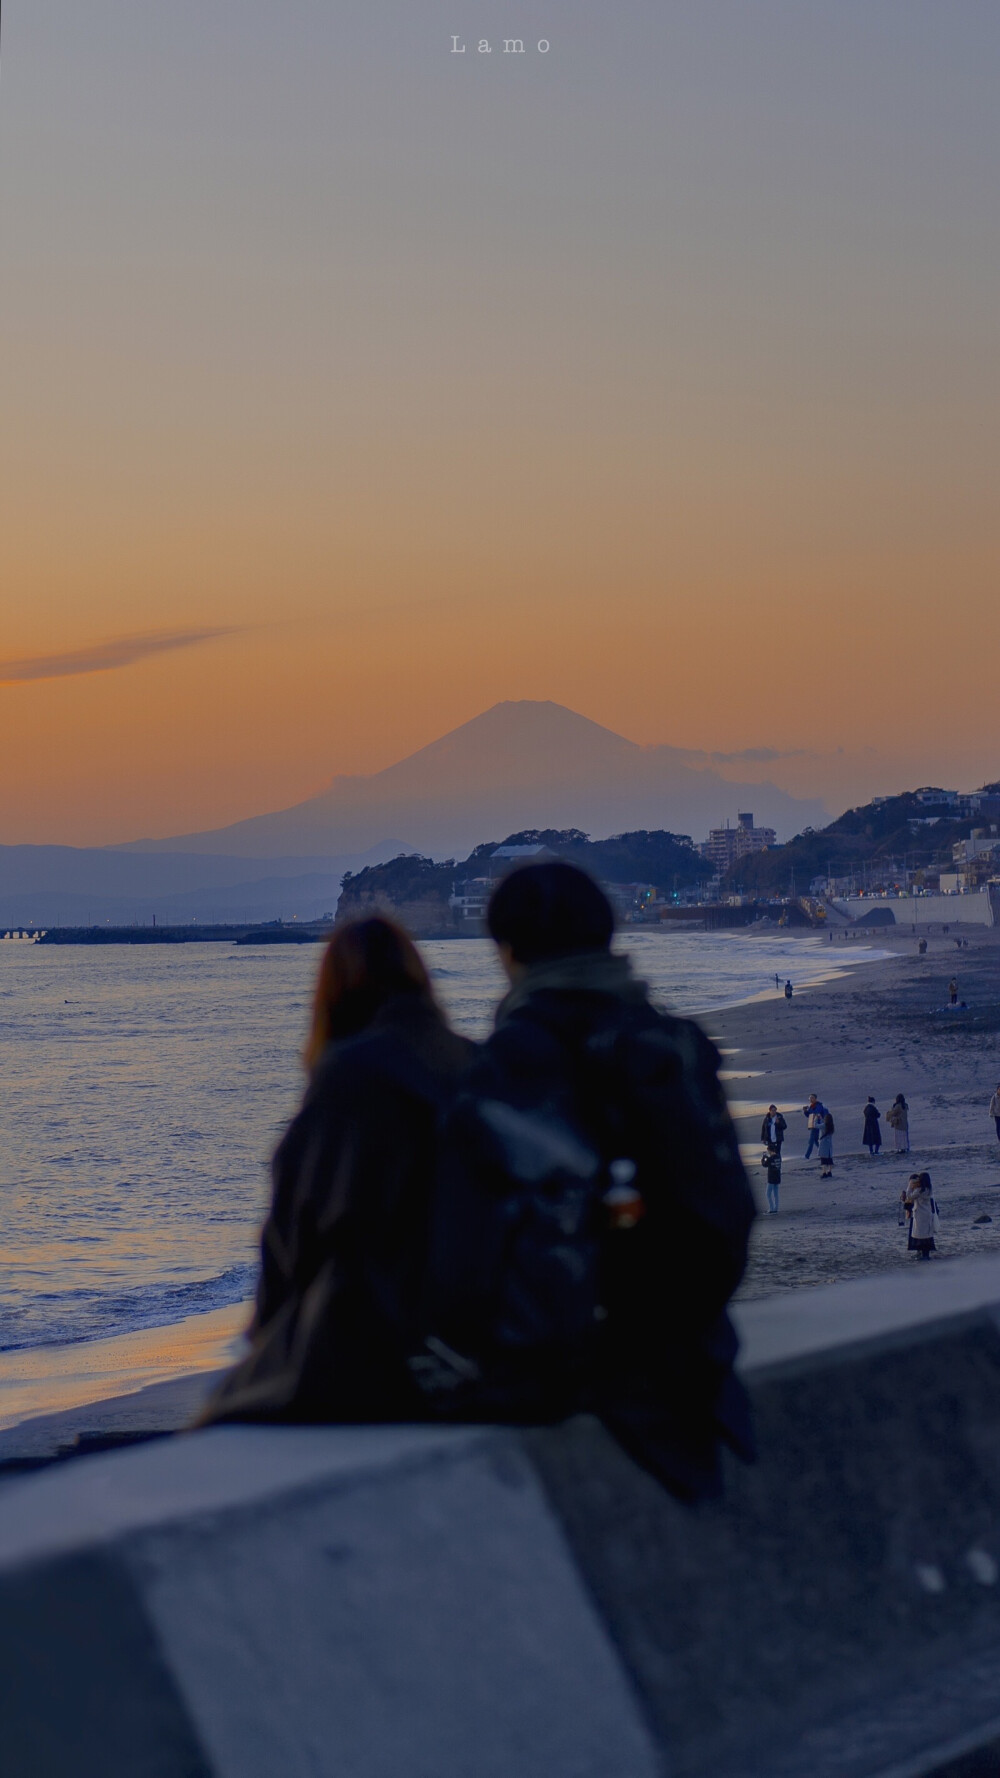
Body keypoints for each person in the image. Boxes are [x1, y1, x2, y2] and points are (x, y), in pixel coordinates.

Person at [468, 860, 756, 1501]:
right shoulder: (675, 1041)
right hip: (700, 1348)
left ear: (507, 953)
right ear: (607, 937)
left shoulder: (515, 1060)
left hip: (586, 1366)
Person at [198, 916, 474, 1425]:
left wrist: (267, 1338)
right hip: (471, 1333)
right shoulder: (471, 1062)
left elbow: (294, 1234)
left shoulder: (350, 1076)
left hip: (377, 1348)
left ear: (333, 991)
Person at [903, 1171, 936, 1260]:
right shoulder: (929, 1189)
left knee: (920, 1235)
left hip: (920, 1214)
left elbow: (909, 1196)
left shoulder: (919, 1190)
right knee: (927, 1235)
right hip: (927, 1214)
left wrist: (910, 1185)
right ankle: (926, 1254)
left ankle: (922, 1254)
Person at [802, 1093, 827, 1159]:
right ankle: (823, 1152)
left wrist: (809, 1110)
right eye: (810, 1098)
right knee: (815, 1140)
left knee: (811, 1141)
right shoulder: (811, 1106)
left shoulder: (818, 1105)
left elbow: (816, 1113)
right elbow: (809, 1115)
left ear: (815, 1099)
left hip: (818, 1124)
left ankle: (807, 1156)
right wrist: (805, 1111)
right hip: (813, 1124)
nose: (810, 1099)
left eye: (812, 1098)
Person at [762, 1144, 782, 1214]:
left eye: (768, 1151)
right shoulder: (778, 1157)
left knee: (768, 1193)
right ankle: (776, 1208)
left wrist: (764, 1158)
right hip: (777, 1177)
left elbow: (764, 1164)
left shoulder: (770, 1159)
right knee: (776, 1193)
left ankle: (771, 1208)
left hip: (771, 1178)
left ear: (770, 1151)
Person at [818, 1110, 835, 1179]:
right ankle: (829, 1172)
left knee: (823, 1160)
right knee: (829, 1159)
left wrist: (816, 1119)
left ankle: (824, 1172)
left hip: (823, 1144)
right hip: (829, 1144)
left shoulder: (824, 1125)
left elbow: (816, 1125)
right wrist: (821, 1119)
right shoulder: (832, 1126)